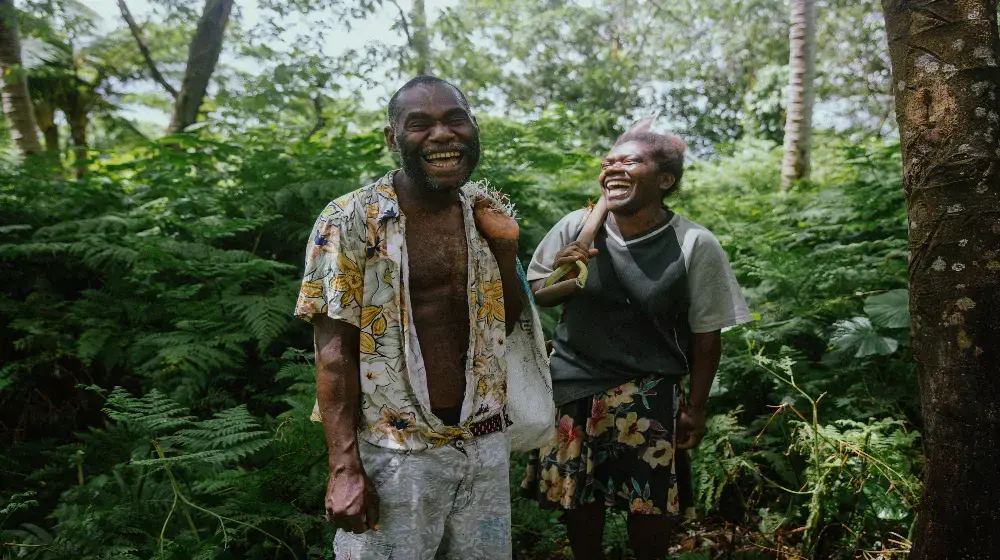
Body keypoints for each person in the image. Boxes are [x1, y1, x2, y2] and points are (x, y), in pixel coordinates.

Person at [294, 75, 543, 559]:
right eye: (420, 124)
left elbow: (504, 324)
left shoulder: (483, 212)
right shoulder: (351, 219)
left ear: (473, 128)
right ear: (392, 138)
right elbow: (333, 350)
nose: (443, 135)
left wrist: (506, 247)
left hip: (483, 440)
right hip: (396, 450)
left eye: (455, 119)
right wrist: (345, 468)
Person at [520, 129, 752, 559]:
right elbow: (536, 291)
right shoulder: (577, 226)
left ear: (664, 180)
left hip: (649, 392)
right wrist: (565, 273)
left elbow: (707, 335)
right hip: (573, 383)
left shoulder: (693, 243)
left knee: (650, 513)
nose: (613, 167)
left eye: (629, 162)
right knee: (578, 502)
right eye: (609, 162)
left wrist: (695, 408)